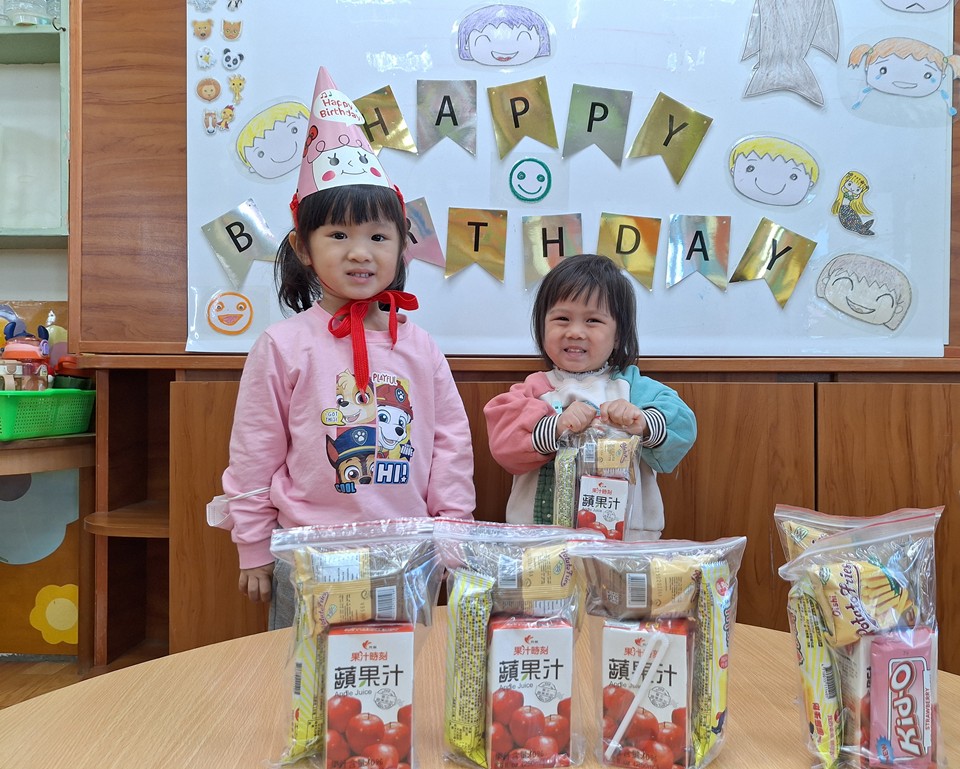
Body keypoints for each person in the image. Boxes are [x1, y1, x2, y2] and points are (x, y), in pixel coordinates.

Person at [220, 67, 475, 628]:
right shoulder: (282, 345)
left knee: (399, 671)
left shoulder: (421, 347)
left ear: (402, 247)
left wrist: (452, 533)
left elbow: (450, 445)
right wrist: (253, 544)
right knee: (306, 672)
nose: (361, 252)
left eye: (378, 237)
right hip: (308, 555)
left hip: (410, 554)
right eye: (338, 235)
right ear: (302, 247)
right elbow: (255, 450)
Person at [483, 254, 697, 539]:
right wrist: (556, 426)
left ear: (618, 335)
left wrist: (643, 422)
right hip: (544, 540)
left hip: (626, 540)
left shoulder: (632, 387)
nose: (575, 332)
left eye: (593, 320)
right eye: (562, 318)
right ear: (542, 326)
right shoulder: (534, 390)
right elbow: (504, 442)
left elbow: (682, 425)